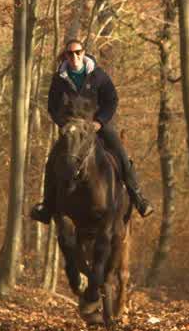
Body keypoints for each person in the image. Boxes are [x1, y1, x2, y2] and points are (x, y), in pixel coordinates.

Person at [30, 39, 154, 222]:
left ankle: (138, 197)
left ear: (84, 52)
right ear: (65, 56)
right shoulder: (59, 79)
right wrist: (63, 123)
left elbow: (112, 100)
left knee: (121, 154)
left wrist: (100, 122)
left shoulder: (98, 75)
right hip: (72, 128)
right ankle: (47, 206)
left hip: (97, 125)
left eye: (78, 52)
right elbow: (52, 106)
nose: (74, 56)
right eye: (70, 53)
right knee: (53, 160)